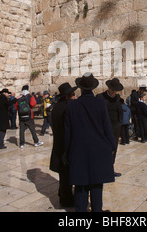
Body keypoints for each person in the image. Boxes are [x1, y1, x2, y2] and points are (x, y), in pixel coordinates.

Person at [64, 72, 116, 212]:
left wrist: (67, 151)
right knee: (96, 185)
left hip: (79, 150)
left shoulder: (72, 106)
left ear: (80, 88)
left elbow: (68, 132)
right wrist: (112, 145)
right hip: (98, 149)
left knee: (81, 185)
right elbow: (107, 127)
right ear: (93, 88)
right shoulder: (100, 103)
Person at [50, 82, 77, 208]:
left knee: (63, 173)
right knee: (66, 174)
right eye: (72, 94)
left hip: (59, 145)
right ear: (66, 96)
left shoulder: (57, 107)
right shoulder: (67, 108)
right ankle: (66, 200)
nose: (74, 96)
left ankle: (62, 194)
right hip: (66, 146)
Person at [97, 78, 123, 177]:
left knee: (114, 149)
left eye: (115, 90)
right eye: (112, 90)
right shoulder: (100, 97)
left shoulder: (117, 98)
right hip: (104, 129)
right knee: (103, 149)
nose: (113, 92)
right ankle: (101, 169)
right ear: (108, 88)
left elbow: (119, 111)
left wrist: (119, 124)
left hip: (115, 128)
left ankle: (110, 169)